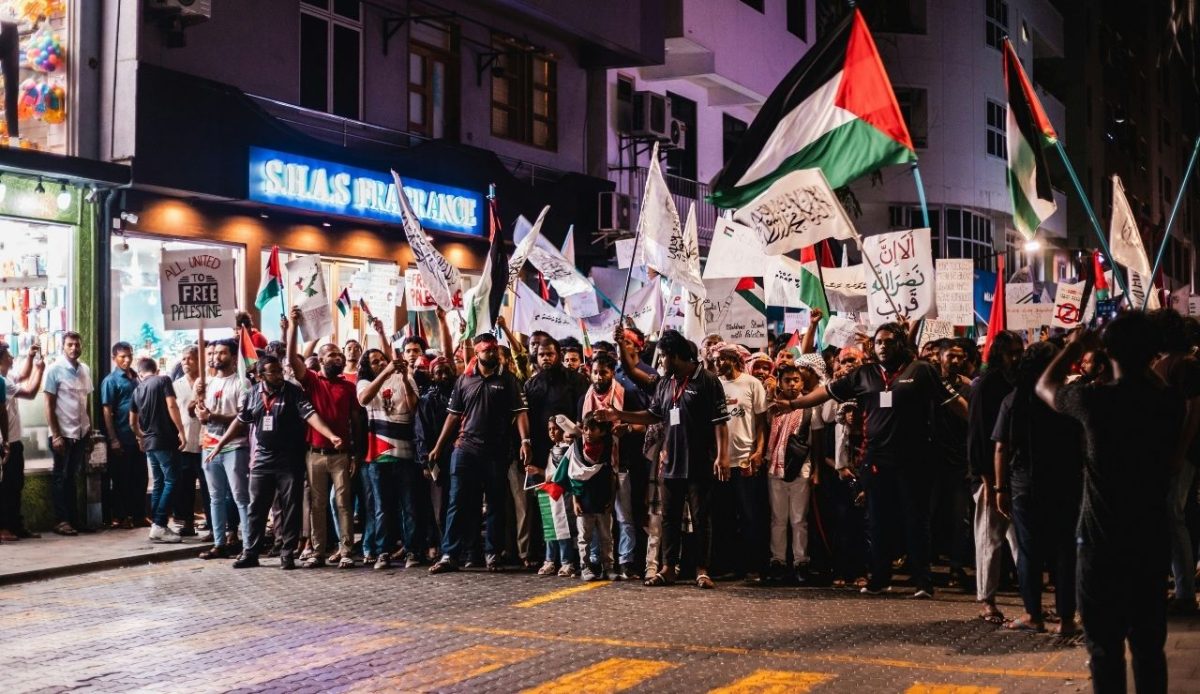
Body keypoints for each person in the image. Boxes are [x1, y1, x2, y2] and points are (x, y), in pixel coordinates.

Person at [1037, 315, 1184, 693]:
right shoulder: (1168, 402)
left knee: (1104, 647)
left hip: (1100, 541)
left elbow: (1045, 385)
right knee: (1149, 647)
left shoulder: (1093, 400)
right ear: (1153, 353)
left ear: (1106, 351)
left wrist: (1074, 346)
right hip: (1150, 539)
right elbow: (1154, 382)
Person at [772, 323, 967, 598]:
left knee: (916, 521)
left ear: (901, 344)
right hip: (876, 461)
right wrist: (793, 404)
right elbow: (826, 392)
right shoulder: (864, 375)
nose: (883, 346)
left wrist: (986, 429)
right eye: (878, 342)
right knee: (878, 522)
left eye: (889, 342)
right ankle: (879, 579)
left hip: (915, 461)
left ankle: (923, 583)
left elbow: (955, 403)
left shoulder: (921, 371)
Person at [596, 330, 730, 589]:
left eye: (665, 356)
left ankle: (702, 569)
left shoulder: (708, 380)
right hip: (671, 462)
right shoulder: (666, 383)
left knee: (701, 518)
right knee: (669, 517)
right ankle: (668, 568)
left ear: (677, 356)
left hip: (700, 461)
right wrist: (618, 414)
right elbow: (652, 415)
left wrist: (722, 456)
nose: (661, 362)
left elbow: (720, 422)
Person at [208, 355, 344, 569]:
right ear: (261, 375)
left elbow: (311, 415)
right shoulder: (253, 394)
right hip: (262, 459)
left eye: (280, 371)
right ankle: (250, 553)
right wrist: (219, 444)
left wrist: (330, 435)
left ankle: (287, 554)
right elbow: (240, 421)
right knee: (256, 508)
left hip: (289, 459)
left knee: (291, 507)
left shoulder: (293, 392)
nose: (280, 375)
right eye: (274, 372)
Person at [992, 341, 1082, 634]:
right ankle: (1067, 618)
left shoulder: (1014, 400)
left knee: (1030, 553)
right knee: (1065, 552)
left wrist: (999, 488)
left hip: (1025, 485)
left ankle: (1034, 615)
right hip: (1066, 483)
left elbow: (1001, 448)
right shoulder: (1066, 398)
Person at [429, 333, 532, 574]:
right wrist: (438, 446)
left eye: (494, 349)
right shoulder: (464, 381)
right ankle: (449, 555)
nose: (492, 353)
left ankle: (492, 554)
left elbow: (520, 413)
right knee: (458, 503)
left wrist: (525, 441)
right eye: (486, 350)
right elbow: (453, 415)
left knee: (496, 503)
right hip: (465, 450)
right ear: (476, 353)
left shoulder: (508, 380)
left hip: (496, 451)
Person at [285, 306, 358, 569]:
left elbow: (356, 423)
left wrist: (355, 454)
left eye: (339, 355)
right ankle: (318, 551)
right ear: (321, 359)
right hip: (315, 453)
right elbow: (293, 360)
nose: (337, 358)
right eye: (332, 355)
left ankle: (346, 550)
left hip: (340, 455)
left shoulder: (349, 387)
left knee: (343, 503)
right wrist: (293, 327)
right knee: (316, 505)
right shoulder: (312, 381)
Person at [968, 331, 1024, 622]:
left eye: (1019, 351)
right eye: (1011, 352)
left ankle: (1032, 603)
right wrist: (989, 482)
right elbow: (979, 437)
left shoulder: (1019, 383)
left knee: (1021, 542)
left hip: (1017, 475)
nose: (1016, 357)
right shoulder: (987, 385)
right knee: (990, 539)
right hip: (991, 477)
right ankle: (987, 600)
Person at [522, 337, 589, 568]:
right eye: (542, 355)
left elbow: (583, 413)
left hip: (571, 454)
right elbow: (527, 419)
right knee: (548, 507)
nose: (546, 358)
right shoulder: (531, 385)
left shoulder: (576, 381)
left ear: (557, 354)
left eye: (550, 354)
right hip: (544, 455)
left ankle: (572, 557)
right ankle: (550, 556)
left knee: (571, 507)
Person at [579, 351, 646, 580]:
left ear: (612, 373)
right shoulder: (584, 399)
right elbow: (581, 430)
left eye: (604, 373)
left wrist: (626, 427)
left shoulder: (627, 394)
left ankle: (626, 561)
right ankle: (597, 562)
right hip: (594, 468)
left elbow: (645, 424)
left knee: (623, 515)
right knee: (596, 516)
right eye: (595, 372)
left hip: (621, 464)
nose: (599, 377)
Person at [357, 338, 420, 570]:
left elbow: (414, 406)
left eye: (382, 360)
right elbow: (364, 399)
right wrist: (385, 372)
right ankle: (383, 551)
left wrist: (403, 376)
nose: (380, 363)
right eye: (375, 362)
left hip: (405, 452)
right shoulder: (364, 382)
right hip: (378, 454)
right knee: (382, 506)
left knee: (409, 506)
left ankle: (412, 550)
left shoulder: (406, 378)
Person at [714, 343, 770, 580]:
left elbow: (760, 423)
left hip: (746, 460)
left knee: (750, 515)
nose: (716, 364)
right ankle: (731, 566)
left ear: (733, 360)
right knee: (725, 516)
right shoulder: (714, 385)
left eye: (720, 359)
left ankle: (754, 566)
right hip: (723, 462)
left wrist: (759, 451)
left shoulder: (751, 384)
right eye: (714, 360)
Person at [764, 363, 822, 582]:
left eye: (795, 380)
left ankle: (801, 562)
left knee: (799, 519)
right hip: (774, 468)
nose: (791, 384)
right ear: (779, 382)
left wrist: (816, 470)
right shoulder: (773, 407)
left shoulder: (810, 407)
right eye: (787, 380)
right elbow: (765, 429)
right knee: (778, 519)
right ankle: (778, 561)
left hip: (801, 469)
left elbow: (816, 440)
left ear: (802, 382)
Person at [195, 339, 251, 560]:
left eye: (222, 353)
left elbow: (243, 418)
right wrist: (196, 400)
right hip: (209, 445)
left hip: (234, 447)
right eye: (214, 353)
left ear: (234, 356)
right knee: (214, 498)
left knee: (240, 498)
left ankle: (248, 545)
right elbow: (196, 412)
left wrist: (213, 416)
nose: (216, 357)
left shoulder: (242, 383)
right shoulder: (207, 383)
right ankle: (219, 543)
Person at [129, 358, 187, 543]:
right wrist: (181, 431)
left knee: (159, 482)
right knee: (173, 479)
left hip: (150, 443)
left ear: (140, 373)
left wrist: (141, 435)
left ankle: (157, 524)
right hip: (165, 440)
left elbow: (132, 422)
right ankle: (160, 524)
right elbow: (171, 405)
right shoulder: (163, 381)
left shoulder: (137, 390)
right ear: (156, 369)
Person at [45, 331, 93, 536]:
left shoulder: (85, 369)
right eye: (70, 345)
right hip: (62, 433)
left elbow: (86, 402)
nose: (74, 348)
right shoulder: (54, 370)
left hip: (81, 432)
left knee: (72, 477)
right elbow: (48, 404)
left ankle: (74, 519)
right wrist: (55, 435)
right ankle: (61, 520)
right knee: (60, 476)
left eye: (77, 345)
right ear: (63, 347)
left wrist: (89, 429)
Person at [0, 343, 43, 541]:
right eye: (9, 355)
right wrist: (40, 370)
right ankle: (4, 528)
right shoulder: (2, 381)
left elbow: (23, 376)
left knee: (15, 485)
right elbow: (31, 392)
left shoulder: (7, 377)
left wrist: (30, 357)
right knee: (7, 487)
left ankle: (16, 525)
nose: (12, 358)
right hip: (5, 443)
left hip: (14, 440)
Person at [567, 412, 616, 581]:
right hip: (584, 499)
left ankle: (608, 567)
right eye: (585, 428)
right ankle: (585, 566)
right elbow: (574, 475)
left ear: (602, 431)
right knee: (584, 537)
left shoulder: (608, 446)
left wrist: (612, 498)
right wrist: (575, 500)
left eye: (592, 429)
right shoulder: (577, 448)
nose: (588, 433)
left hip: (602, 498)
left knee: (606, 536)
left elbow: (611, 475)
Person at [100, 341, 145, 529]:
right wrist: (113, 439)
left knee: (139, 478)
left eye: (129, 356)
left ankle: (138, 516)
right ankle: (121, 516)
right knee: (121, 480)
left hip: (138, 437)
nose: (127, 360)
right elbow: (107, 411)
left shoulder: (135, 378)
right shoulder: (110, 381)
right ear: (114, 358)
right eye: (122, 357)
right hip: (122, 437)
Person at [415, 356, 456, 547]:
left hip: (459, 456)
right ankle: (443, 546)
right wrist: (426, 463)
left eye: (447, 370)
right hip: (437, 458)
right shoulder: (426, 400)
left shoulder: (460, 393)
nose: (444, 375)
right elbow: (421, 433)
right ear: (432, 375)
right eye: (439, 372)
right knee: (440, 507)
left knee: (458, 504)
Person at [532, 416, 576, 577]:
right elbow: (549, 474)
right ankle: (549, 560)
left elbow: (563, 472)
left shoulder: (569, 449)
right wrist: (539, 472)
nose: (552, 432)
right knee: (550, 528)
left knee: (563, 527)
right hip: (551, 493)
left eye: (555, 428)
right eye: (550, 429)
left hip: (563, 493)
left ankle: (567, 562)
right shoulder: (553, 450)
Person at [172, 346, 204, 537]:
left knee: (208, 486)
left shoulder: (207, 383)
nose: (186, 363)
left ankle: (212, 523)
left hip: (203, 442)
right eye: (183, 359)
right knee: (185, 486)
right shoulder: (176, 385)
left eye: (190, 359)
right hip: (184, 442)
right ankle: (188, 523)